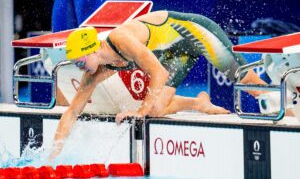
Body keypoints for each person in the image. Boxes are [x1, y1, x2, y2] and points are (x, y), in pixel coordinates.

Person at [49, 10, 266, 160]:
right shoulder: (95, 72)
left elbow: (158, 73)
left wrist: (140, 112)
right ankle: (198, 103)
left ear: (92, 50)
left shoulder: (121, 39)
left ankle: (283, 103)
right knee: (156, 108)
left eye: (80, 62)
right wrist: (54, 154)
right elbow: (72, 111)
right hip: (175, 51)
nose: (79, 68)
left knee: (246, 82)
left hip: (194, 31)